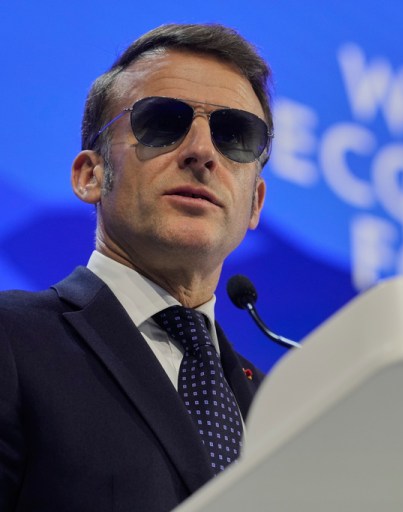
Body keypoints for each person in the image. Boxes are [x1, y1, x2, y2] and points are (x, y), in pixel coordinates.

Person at [0, 23, 273, 511]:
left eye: (234, 135)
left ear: (254, 203)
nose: (202, 152)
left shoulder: (285, 409)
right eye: (163, 122)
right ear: (91, 175)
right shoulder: (11, 338)